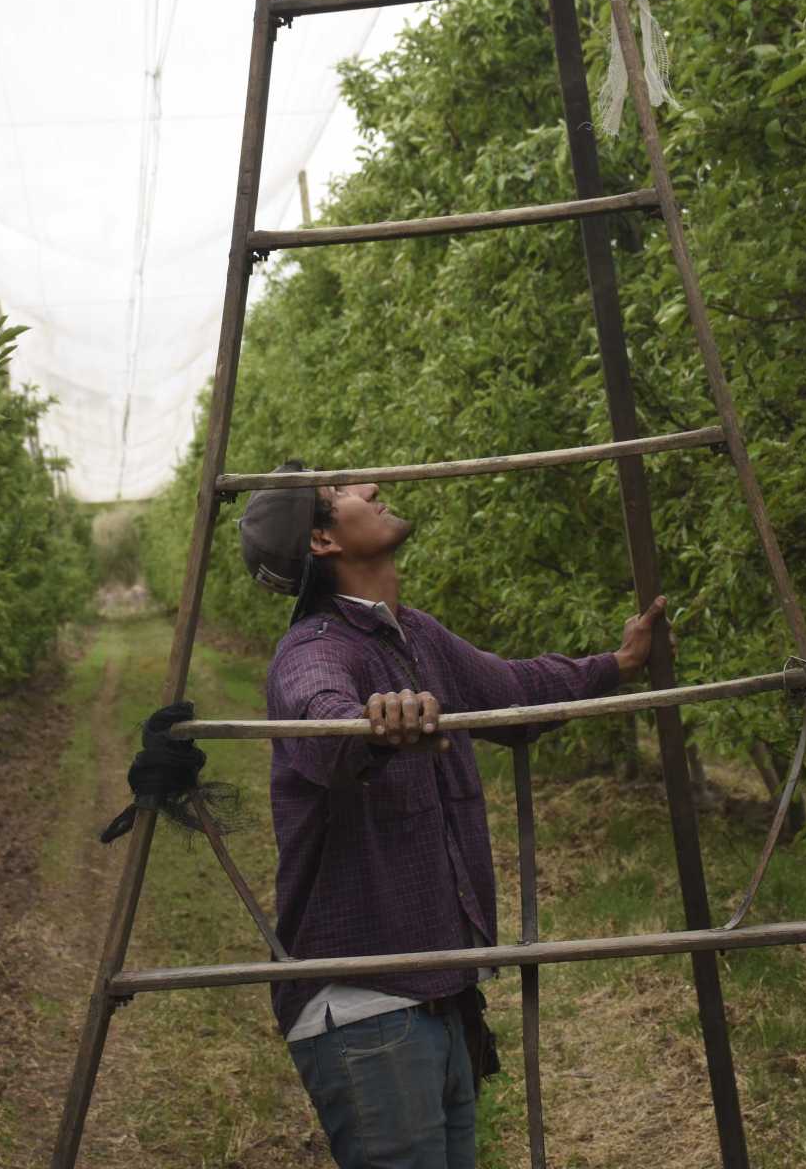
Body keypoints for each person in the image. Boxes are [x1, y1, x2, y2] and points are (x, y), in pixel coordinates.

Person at [237, 462, 667, 1169]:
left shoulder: (415, 636)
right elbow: (322, 714)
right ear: (322, 540)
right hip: (367, 1010)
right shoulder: (312, 652)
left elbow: (515, 688)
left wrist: (618, 665)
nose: (371, 489)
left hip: (435, 995)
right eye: (345, 493)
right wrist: (368, 724)